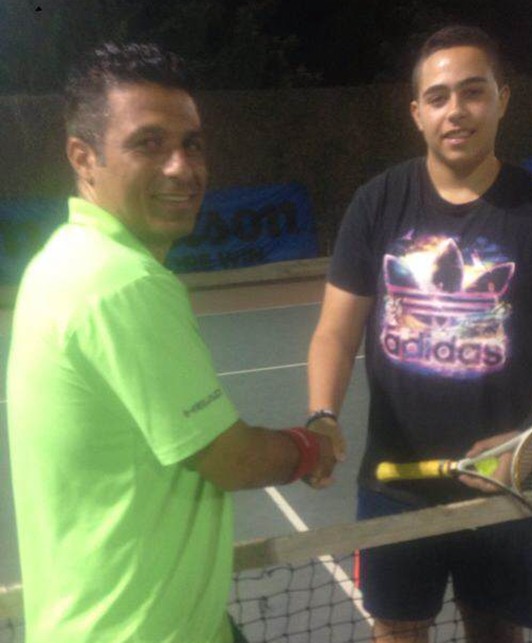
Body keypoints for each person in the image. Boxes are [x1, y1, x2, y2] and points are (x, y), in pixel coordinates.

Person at [7, 42, 335, 643]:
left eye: (192, 143)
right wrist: (310, 449)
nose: (182, 167)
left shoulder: (61, 258)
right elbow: (231, 458)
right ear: (84, 157)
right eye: (149, 143)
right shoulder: (121, 283)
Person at [307, 25, 532, 643]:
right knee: (396, 631)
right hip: (396, 483)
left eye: (473, 92)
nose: (456, 110)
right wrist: (322, 415)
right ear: (417, 113)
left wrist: (526, 435)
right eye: (439, 97)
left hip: (510, 483)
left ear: (503, 99)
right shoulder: (377, 203)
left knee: (496, 632)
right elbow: (335, 334)